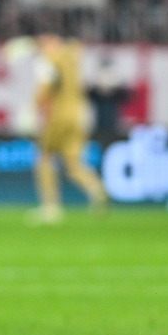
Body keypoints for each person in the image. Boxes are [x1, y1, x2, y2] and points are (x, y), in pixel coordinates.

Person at [32, 35, 108, 224]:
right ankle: (96, 189)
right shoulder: (72, 58)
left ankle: (50, 208)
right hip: (79, 115)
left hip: (58, 116)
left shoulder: (49, 61)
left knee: (44, 158)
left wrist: (35, 106)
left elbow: (45, 87)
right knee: (73, 164)